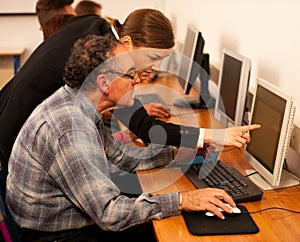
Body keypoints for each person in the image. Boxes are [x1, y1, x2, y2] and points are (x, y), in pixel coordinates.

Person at [6, 34, 237, 241]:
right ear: (104, 83)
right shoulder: (71, 129)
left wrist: (177, 153)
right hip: (58, 235)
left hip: (71, 218)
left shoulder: (81, 104)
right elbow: (109, 214)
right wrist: (183, 200)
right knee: (172, 230)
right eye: (130, 75)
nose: (137, 81)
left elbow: (121, 158)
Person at [0, 9, 259, 170]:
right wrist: (213, 135)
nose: (155, 68)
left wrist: (124, 110)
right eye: (152, 58)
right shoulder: (102, 59)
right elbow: (147, 129)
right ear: (126, 42)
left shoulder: (96, 25)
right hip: (17, 135)